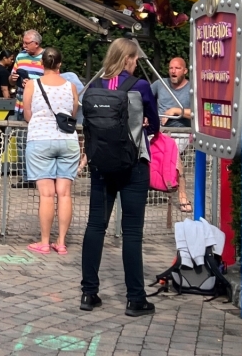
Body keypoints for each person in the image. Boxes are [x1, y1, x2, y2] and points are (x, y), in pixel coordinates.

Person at [80, 37, 159, 317]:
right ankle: (135, 298)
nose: (137, 63)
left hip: (101, 165)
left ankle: (89, 293)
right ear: (127, 59)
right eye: (135, 58)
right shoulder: (139, 87)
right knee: (132, 232)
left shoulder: (94, 87)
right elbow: (155, 124)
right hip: (133, 164)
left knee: (95, 227)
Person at [23, 47, 80, 255]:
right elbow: (73, 112)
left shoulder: (32, 84)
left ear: (41, 64)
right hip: (68, 140)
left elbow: (27, 113)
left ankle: (45, 242)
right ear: (59, 64)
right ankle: (62, 242)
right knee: (64, 193)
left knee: (47, 195)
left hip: (40, 139)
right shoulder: (71, 86)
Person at [150, 57, 193, 212]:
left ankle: (182, 195)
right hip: (159, 132)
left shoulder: (191, 88)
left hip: (179, 133)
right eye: (171, 68)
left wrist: (176, 111)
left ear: (185, 71)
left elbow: (199, 112)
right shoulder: (160, 84)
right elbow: (144, 99)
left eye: (177, 68)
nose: (173, 71)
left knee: (173, 153)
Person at [10, 30, 45, 188]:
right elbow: (11, 79)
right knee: (21, 143)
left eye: (26, 43)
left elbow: (53, 80)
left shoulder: (47, 57)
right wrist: (13, 79)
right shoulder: (20, 56)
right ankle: (26, 177)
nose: (23, 46)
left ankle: (41, 177)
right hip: (20, 106)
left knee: (40, 143)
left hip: (39, 108)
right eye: (23, 43)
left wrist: (32, 84)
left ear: (36, 44)